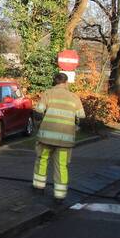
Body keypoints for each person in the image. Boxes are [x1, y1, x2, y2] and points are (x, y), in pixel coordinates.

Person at [32, 72, 86, 203]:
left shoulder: (48, 93)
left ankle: (39, 188)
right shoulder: (74, 97)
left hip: (46, 138)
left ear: (54, 82)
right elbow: (81, 116)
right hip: (65, 140)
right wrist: (75, 127)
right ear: (66, 82)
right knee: (62, 166)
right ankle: (59, 196)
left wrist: (39, 125)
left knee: (42, 160)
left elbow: (38, 113)